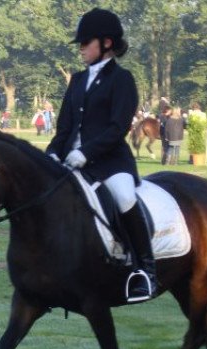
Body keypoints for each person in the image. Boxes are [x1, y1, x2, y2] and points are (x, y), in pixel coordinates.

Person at [45, 7, 156, 303]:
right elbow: (64, 126)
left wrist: (86, 152)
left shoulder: (122, 79)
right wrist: (53, 154)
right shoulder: (77, 80)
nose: (81, 48)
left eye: (85, 42)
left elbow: (117, 127)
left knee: (124, 197)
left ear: (106, 43)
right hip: (72, 160)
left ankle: (145, 269)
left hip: (109, 162)